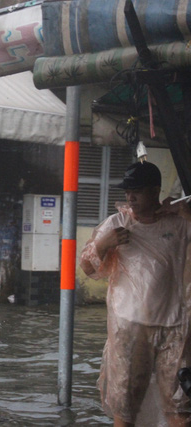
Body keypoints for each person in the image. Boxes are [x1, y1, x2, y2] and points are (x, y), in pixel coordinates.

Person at [80, 161, 191, 426]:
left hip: (175, 327)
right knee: (126, 404)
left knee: (180, 406)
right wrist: (104, 243)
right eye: (128, 191)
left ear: (155, 191)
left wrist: (187, 213)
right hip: (129, 328)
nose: (131, 197)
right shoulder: (117, 223)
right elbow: (87, 267)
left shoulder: (179, 224)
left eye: (137, 191)